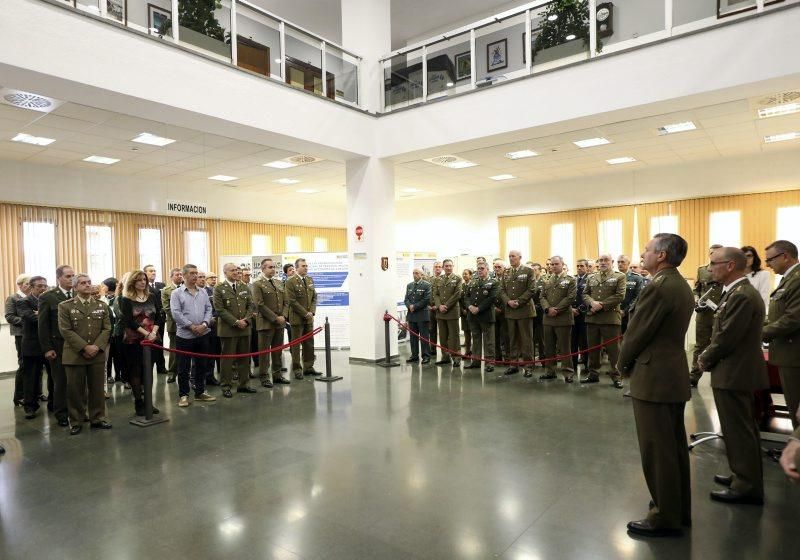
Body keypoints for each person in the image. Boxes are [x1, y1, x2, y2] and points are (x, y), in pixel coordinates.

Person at [618, 233, 694, 538]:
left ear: (661, 255)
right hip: (670, 373)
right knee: (672, 448)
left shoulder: (659, 287)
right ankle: (677, 508)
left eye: (647, 250)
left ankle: (664, 516)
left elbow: (637, 332)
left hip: (654, 376)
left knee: (657, 449)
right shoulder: (678, 283)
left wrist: (622, 363)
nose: (643, 254)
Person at [697, 247, 768, 505]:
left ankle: (747, 486)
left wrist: (704, 357)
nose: (709, 268)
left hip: (736, 371)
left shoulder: (741, 295)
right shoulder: (735, 292)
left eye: (714, 263)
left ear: (729, 266)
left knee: (739, 429)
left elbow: (727, 336)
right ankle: (742, 475)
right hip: (733, 370)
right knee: (737, 428)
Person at [58, 273, 112, 434]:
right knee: (75, 390)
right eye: (82, 283)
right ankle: (76, 421)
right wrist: (84, 347)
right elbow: (65, 330)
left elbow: (107, 328)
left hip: (97, 354)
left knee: (97, 389)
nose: (87, 285)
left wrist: (96, 347)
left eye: (89, 282)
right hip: (75, 355)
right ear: (75, 287)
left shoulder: (102, 305)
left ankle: (98, 418)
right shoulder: (65, 306)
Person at [762, 240, 800, 430]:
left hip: (794, 355)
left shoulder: (797, 279)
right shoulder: (788, 279)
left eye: (770, 259)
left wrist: (760, 333)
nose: (768, 264)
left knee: (797, 408)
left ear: (785, 256)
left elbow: (793, 319)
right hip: (787, 353)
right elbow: (779, 315)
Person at [170, 264, 216, 407]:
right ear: (184, 276)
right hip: (185, 335)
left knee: (202, 365)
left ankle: (200, 392)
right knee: (183, 367)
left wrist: (204, 324)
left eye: (196, 273)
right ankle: (183, 395)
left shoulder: (203, 292)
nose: (195, 276)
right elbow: (176, 313)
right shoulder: (176, 293)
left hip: (203, 333)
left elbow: (209, 309)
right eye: (191, 273)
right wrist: (191, 326)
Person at [119, 270, 162, 416]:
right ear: (132, 282)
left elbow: (159, 316)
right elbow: (128, 321)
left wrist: (154, 333)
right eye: (138, 280)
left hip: (153, 339)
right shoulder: (126, 299)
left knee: (148, 372)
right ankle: (139, 402)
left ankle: (148, 402)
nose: (143, 282)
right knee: (136, 371)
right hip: (134, 340)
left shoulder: (152, 296)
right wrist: (146, 334)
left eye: (144, 279)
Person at [581, 254, 626, 389]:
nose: (602, 262)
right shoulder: (592, 277)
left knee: (614, 350)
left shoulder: (620, 276)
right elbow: (585, 294)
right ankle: (593, 374)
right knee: (593, 348)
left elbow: (620, 295)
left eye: (606, 260)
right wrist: (591, 303)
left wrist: (601, 305)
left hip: (610, 317)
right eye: (600, 260)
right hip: (593, 317)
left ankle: (617, 376)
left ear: (611, 262)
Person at [38, 265, 75, 427]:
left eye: (73, 276)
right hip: (58, 346)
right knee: (61, 381)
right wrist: (47, 348)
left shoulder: (79, 294)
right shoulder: (48, 297)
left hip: (77, 345)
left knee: (78, 381)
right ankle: (61, 413)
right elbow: (43, 325)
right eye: (68, 276)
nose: (71, 279)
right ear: (59, 278)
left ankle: (77, 411)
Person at [213, 263, 257, 396]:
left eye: (237, 270)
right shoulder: (219, 288)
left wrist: (246, 320)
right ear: (225, 272)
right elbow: (219, 309)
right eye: (232, 270)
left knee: (244, 358)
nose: (236, 272)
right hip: (228, 330)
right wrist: (236, 322)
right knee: (228, 360)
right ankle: (226, 386)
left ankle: (244, 384)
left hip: (245, 328)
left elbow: (251, 306)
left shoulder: (244, 286)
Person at [252, 258, 290, 385]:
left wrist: (284, 316)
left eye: (274, 267)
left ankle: (277, 375)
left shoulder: (279, 283)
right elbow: (259, 305)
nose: (273, 269)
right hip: (266, 323)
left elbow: (286, 302)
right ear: (263, 268)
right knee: (264, 352)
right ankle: (264, 376)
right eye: (270, 267)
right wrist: (275, 318)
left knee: (277, 351)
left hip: (280, 323)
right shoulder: (257, 284)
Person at [690, 244, 724, 387]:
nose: (713, 255)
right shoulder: (702, 270)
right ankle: (694, 376)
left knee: (720, 344)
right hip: (704, 314)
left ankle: (719, 376)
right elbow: (697, 288)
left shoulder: (726, 270)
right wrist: (697, 299)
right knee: (700, 345)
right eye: (711, 253)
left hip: (721, 313)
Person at [540, 256, 577, 383]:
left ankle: (568, 372)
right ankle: (550, 371)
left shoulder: (570, 279)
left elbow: (570, 297)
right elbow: (542, 297)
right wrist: (547, 309)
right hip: (548, 318)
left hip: (563, 318)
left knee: (564, 347)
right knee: (549, 347)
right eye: (551, 264)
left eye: (556, 264)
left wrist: (556, 309)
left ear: (562, 264)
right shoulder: (546, 279)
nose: (553, 266)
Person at [499, 251, 536, 377]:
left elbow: (531, 289)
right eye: (509, 256)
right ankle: (513, 364)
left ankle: (528, 365)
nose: (511, 258)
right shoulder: (506, 272)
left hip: (524, 310)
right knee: (512, 339)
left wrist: (518, 302)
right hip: (510, 310)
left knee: (526, 340)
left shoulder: (528, 271)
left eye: (513, 256)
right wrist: (508, 301)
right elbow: (502, 290)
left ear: (520, 257)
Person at [19, 276, 50, 419]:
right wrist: (44, 316)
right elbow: (32, 319)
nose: (43, 288)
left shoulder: (49, 299)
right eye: (39, 286)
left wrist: (40, 314)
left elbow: (56, 318)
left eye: (45, 285)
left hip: (50, 344)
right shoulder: (24, 302)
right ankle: (30, 407)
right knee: (31, 377)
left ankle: (54, 403)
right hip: (32, 346)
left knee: (53, 376)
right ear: (31, 287)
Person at [285, 258, 321, 379]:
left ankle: (308, 367)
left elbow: (314, 297)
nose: (306, 267)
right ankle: (297, 369)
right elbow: (292, 301)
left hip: (309, 318)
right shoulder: (290, 282)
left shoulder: (310, 280)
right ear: (296, 268)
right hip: (297, 318)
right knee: (296, 345)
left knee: (309, 343)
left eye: (306, 265)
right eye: (303, 266)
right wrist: (305, 313)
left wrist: (311, 311)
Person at [464, 262, 500, 372]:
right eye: (478, 268)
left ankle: (490, 363)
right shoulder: (473, 282)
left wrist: (478, 308)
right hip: (473, 315)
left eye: (482, 268)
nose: (480, 270)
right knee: (476, 338)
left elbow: (492, 298)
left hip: (486, 314)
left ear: (487, 270)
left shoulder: (494, 282)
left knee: (489, 340)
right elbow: (466, 296)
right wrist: (469, 306)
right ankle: (476, 361)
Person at [433, 259, 463, 367]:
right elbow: (435, 294)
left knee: (454, 336)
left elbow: (457, 294)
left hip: (452, 311)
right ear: (443, 267)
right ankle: (445, 357)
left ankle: (456, 357)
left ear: (453, 266)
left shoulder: (458, 278)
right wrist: (439, 306)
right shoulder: (438, 279)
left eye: (450, 266)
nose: (448, 268)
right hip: (440, 312)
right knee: (442, 336)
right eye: (446, 266)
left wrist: (446, 305)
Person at [5, 274, 30, 407]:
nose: (29, 286)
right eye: (27, 284)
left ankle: (36, 394)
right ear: (20, 284)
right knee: (23, 364)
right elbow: (9, 317)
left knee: (36, 364)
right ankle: (19, 396)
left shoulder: (32, 298)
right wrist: (27, 320)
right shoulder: (12, 298)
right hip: (21, 335)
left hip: (33, 335)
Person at [403, 268, 432, 365]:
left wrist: (414, 306)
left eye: (416, 273)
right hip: (412, 315)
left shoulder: (427, 285)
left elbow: (426, 299)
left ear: (421, 275)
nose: (414, 275)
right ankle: (414, 355)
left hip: (422, 315)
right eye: (413, 273)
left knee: (424, 337)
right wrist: (409, 306)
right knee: (413, 337)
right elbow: (406, 298)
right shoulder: (409, 285)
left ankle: (426, 356)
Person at [161, 267, 184, 383]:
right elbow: (167, 308)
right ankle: (172, 372)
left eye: (181, 274)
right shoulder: (166, 290)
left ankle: (185, 372)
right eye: (177, 274)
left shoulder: (187, 288)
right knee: (174, 350)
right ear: (171, 277)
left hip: (188, 324)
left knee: (187, 350)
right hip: (174, 324)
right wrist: (181, 320)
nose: (180, 276)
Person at [143, 264, 167, 374]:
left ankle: (161, 367)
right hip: (149, 321)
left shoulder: (161, 285)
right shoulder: (144, 287)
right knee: (151, 344)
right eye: (150, 271)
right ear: (145, 273)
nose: (153, 273)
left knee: (159, 343)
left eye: (154, 271)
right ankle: (149, 368)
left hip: (160, 319)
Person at [571, 259, 589, 371]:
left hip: (584, 315)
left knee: (585, 342)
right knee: (572, 342)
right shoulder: (573, 279)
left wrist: (579, 309)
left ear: (587, 267)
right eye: (577, 266)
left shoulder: (591, 279)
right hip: (572, 315)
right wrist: (571, 309)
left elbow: (590, 296)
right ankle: (572, 365)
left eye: (582, 266)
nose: (579, 268)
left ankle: (587, 365)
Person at [618, 255, 644, 333]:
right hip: (614, 314)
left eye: (622, 262)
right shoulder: (613, 277)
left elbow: (637, 297)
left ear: (628, 263)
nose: (620, 264)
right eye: (618, 262)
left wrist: (625, 311)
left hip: (629, 314)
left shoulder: (636, 278)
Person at [203, 272, 221, 385]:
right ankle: (206, 376)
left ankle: (215, 374)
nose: (214, 280)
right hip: (208, 325)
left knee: (217, 351)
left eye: (215, 277)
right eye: (211, 278)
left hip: (219, 325)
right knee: (208, 352)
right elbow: (206, 308)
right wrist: (211, 317)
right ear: (206, 279)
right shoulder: (204, 291)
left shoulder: (218, 290)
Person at [492, 260, 509, 362]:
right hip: (493, 311)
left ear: (504, 268)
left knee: (507, 336)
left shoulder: (508, 279)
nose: (497, 269)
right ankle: (497, 357)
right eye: (495, 267)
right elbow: (488, 296)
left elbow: (509, 295)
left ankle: (508, 357)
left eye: (499, 267)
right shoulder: (491, 280)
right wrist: (493, 307)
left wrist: (502, 308)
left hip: (505, 311)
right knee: (495, 336)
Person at [427, 261, 443, 359]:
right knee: (431, 330)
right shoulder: (429, 280)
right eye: (436, 267)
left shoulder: (444, 279)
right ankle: (432, 349)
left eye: (439, 267)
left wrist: (438, 306)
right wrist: (428, 305)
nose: (437, 268)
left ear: (442, 268)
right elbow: (426, 294)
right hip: (430, 308)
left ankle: (445, 351)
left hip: (440, 308)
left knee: (443, 331)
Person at [531, 263, 545, 361]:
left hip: (540, 313)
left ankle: (543, 359)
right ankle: (530, 360)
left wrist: (536, 306)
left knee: (541, 339)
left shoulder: (544, 282)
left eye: (535, 270)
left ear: (539, 271)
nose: (534, 272)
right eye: (532, 270)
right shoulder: (529, 282)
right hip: (530, 314)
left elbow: (544, 298)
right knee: (530, 339)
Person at [460, 269, 473, 357]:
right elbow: (459, 300)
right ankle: (467, 351)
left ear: (470, 275)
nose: (464, 276)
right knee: (466, 333)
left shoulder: (473, 285)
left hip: (472, 312)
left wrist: (468, 309)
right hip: (464, 313)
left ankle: (475, 351)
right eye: (463, 274)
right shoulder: (461, 286)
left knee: (474, 333)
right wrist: (462, 310)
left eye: (466, 274)